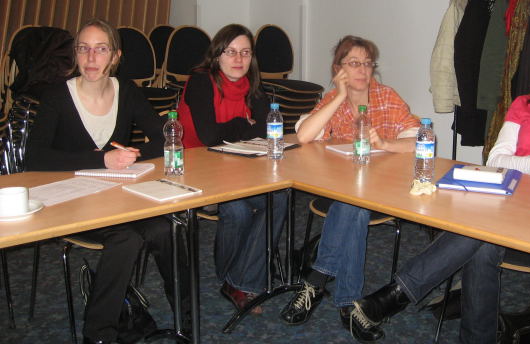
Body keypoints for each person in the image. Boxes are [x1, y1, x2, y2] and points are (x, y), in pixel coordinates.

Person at [350, 34, 530, 344]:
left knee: (480, 234)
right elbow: (496, 159)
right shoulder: (524, 105)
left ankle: (391, 297)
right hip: (512, 208)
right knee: (483, 238)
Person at [25, 18, 188, 344]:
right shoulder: (58, 96)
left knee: (165, 228)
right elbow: (35, 159)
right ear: (75, 54)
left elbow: (164, 139)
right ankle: (98, 335)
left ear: (115, 56)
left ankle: (186, 317)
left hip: (116, 198)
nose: (91, 58)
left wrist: (132, 155)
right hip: (70, 202)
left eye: (101, 49)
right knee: (126, 239)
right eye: (83, 49)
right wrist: (101, 159)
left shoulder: (126, 91)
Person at [279, 35, 419, 342]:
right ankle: (349, 305)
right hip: (342, 191)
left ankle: (316, 281)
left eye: (367, 63)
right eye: (354, 63)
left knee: (354, 205)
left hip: (382, 188)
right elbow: (304, 135)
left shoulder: (386, 96)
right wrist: (339, 95)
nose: (362, 70)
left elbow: (420, 141)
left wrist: (386, 144)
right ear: (338, 68)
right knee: (353, 206)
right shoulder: (334, 99)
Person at [177, 23, 286, 314]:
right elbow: (208, 136)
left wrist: (240, 129)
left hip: (240, 167)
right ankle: (237, 277)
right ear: (217, 55)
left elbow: (266, 128)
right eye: (231, 52)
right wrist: (242, 124)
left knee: (278, 198)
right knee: (237, 209)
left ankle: (238, 279)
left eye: (245, 53)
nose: (239, 59)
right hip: (197, 167)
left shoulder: (253, 86)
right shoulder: (201, 81)